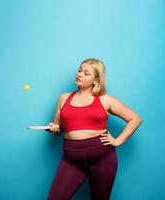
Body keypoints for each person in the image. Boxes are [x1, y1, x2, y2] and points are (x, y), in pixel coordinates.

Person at [46, 58, 142, 200]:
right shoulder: (64, 98)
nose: (80, 74)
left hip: (102, 159)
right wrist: (54, 130)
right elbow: (58, 128)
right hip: (71, 159)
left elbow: (135, 119)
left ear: (96, 80)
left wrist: (118, 141)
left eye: (86, 73)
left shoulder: (105, 100)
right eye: (80, 70)